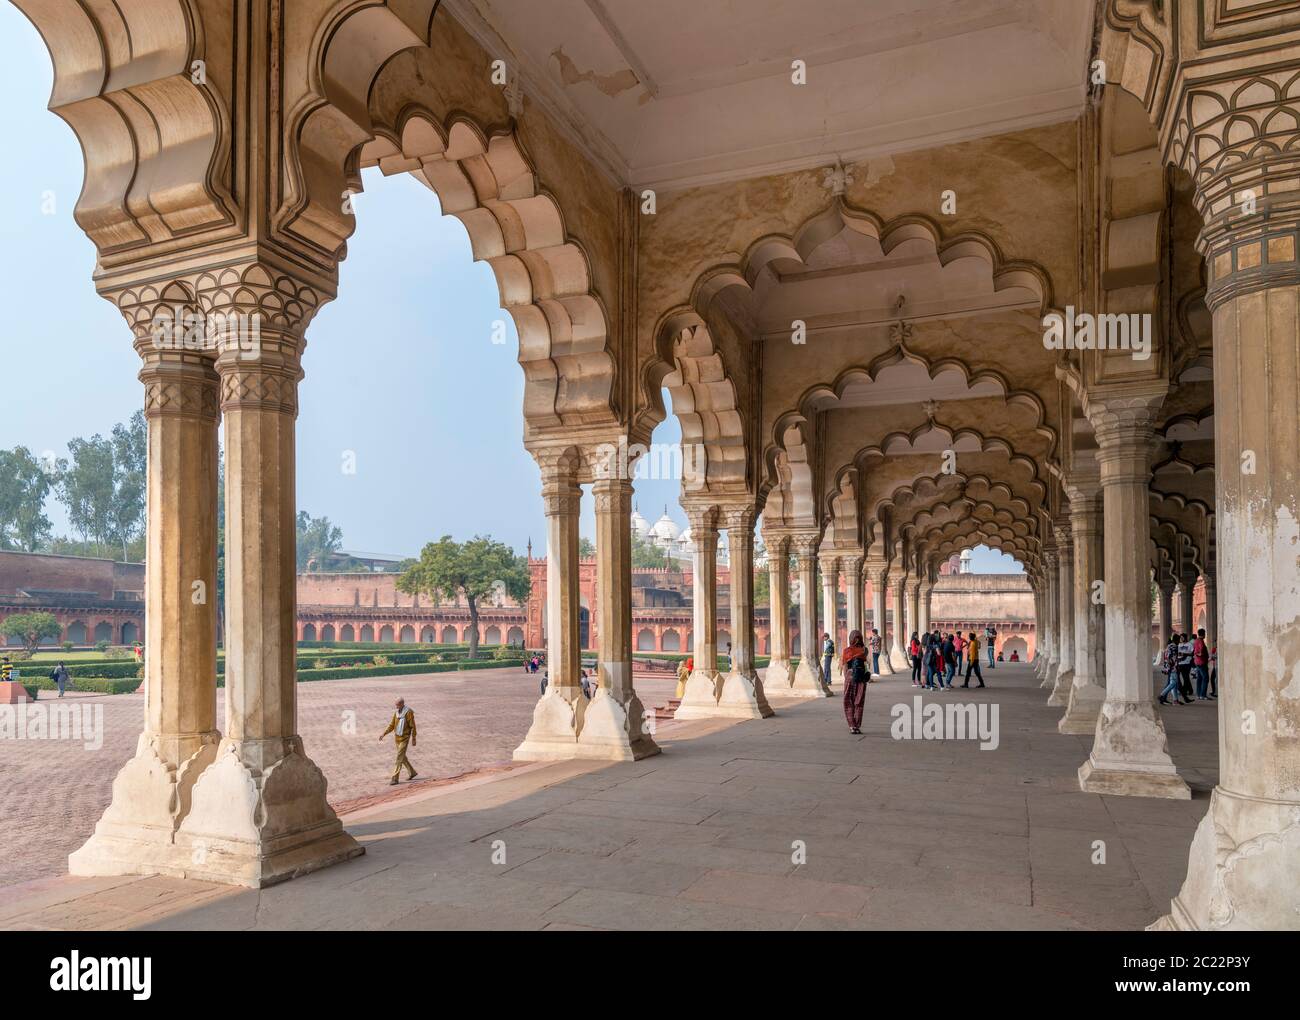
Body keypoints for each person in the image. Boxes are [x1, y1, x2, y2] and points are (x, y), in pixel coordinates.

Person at [379, 697, 418, 785]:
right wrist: (383, 734)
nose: (396, 707)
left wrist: (414, 738)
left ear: (402, 704)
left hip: (404, 739)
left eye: (397, 705)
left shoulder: (409, 712)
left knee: (399, 758)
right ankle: (412, 772)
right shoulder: (396, 713)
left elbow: (413, 726)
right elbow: (392, 725)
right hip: (397, 739)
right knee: (403, 758)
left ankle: (395, 778)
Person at [841, 630, 869, 734]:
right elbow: (866, 664)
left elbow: (845, 667)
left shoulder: (847, 651)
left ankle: (852, 725)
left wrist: (846, 678)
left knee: (848, 701)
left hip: (850, 676)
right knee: (859, 702)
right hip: (861, 678)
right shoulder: (863, 650)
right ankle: (856, 725)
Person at [1158, 634, 1186, 705]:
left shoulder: (1169, 646)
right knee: (1173, 683)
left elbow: (1168, 657)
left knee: (1174, 683)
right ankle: (1162, 695)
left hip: (1168, 667)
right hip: (1173, 667)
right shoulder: (1174, 647)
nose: (1179, 642)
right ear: (1176, 640)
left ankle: (1175, 700)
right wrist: (1181, 658)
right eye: (1178, 640)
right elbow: (1174, 658)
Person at [1192, 628, 1211, 700]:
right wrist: (1201, 655)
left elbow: (1195, 651)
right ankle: (1203, 695)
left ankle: (1198, 694)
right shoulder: (1201, 641)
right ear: (1203, 634)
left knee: (1199, 678)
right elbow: (1201, 651)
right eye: (1205, 634)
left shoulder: (1196, 641)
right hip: (1202, 662)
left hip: (1197, 662)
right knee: (1205, 678)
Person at [1176, 633, 1195, 702]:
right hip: (1179, 663)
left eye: (1182, 637)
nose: (1181, 639)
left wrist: (1184, 654)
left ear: (1185, 638)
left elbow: (1192, 653)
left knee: (1186, 678)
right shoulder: (1179, 645)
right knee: (1178, 679)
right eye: (1180, 638)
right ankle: (1186, 691)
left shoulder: (1189, 644)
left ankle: (1184, 691)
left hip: (1187, 663)